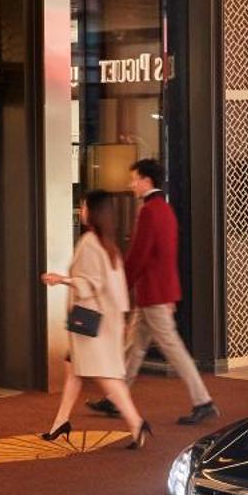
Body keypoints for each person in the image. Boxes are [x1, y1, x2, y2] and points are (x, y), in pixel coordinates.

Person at [87, 159, 218, 425]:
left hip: (153, 295)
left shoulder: (149, 211)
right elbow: (166, 256)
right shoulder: (165, 209)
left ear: (147, 181)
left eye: (135, 179)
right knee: (134, 347)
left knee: (173, 348)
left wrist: (120, 285)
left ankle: (203, 401)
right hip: (158, 292)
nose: (131, 184)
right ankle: (116, 398)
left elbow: (139, 254)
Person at [41, 190, 151, 449]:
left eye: (83, 206)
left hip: (91, 323)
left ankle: (136, 423)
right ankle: (60, 421)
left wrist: (61, 279)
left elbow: (90, 283)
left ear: (92, 212)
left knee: (103, 375)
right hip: (104, 320)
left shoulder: (90, 242)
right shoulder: (108, 244)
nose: (81, 210)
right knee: (74, 368)